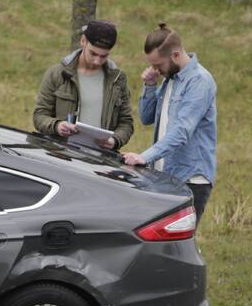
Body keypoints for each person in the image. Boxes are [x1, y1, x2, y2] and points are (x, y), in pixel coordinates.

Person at [122, 23, 217, 221]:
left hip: (190, 181)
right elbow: (146, 118)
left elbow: (182, 131)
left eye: (158, 65)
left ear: (175, 55)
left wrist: (144, 157)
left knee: (176, 247)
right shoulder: (170, 78)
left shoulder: (199, 81)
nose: (154, 69)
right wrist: (149, 85)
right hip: (166, 175)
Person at [32, 20, 133, 150]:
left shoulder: (118, 80)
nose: (97, 61)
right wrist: (57, 126)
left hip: (101, 161)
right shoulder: (57, 74)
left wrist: (114, 140)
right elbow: (39, 115)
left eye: (104, 56)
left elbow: (126, 123)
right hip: (59, 155)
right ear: (83, 41)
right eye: (93, 53)